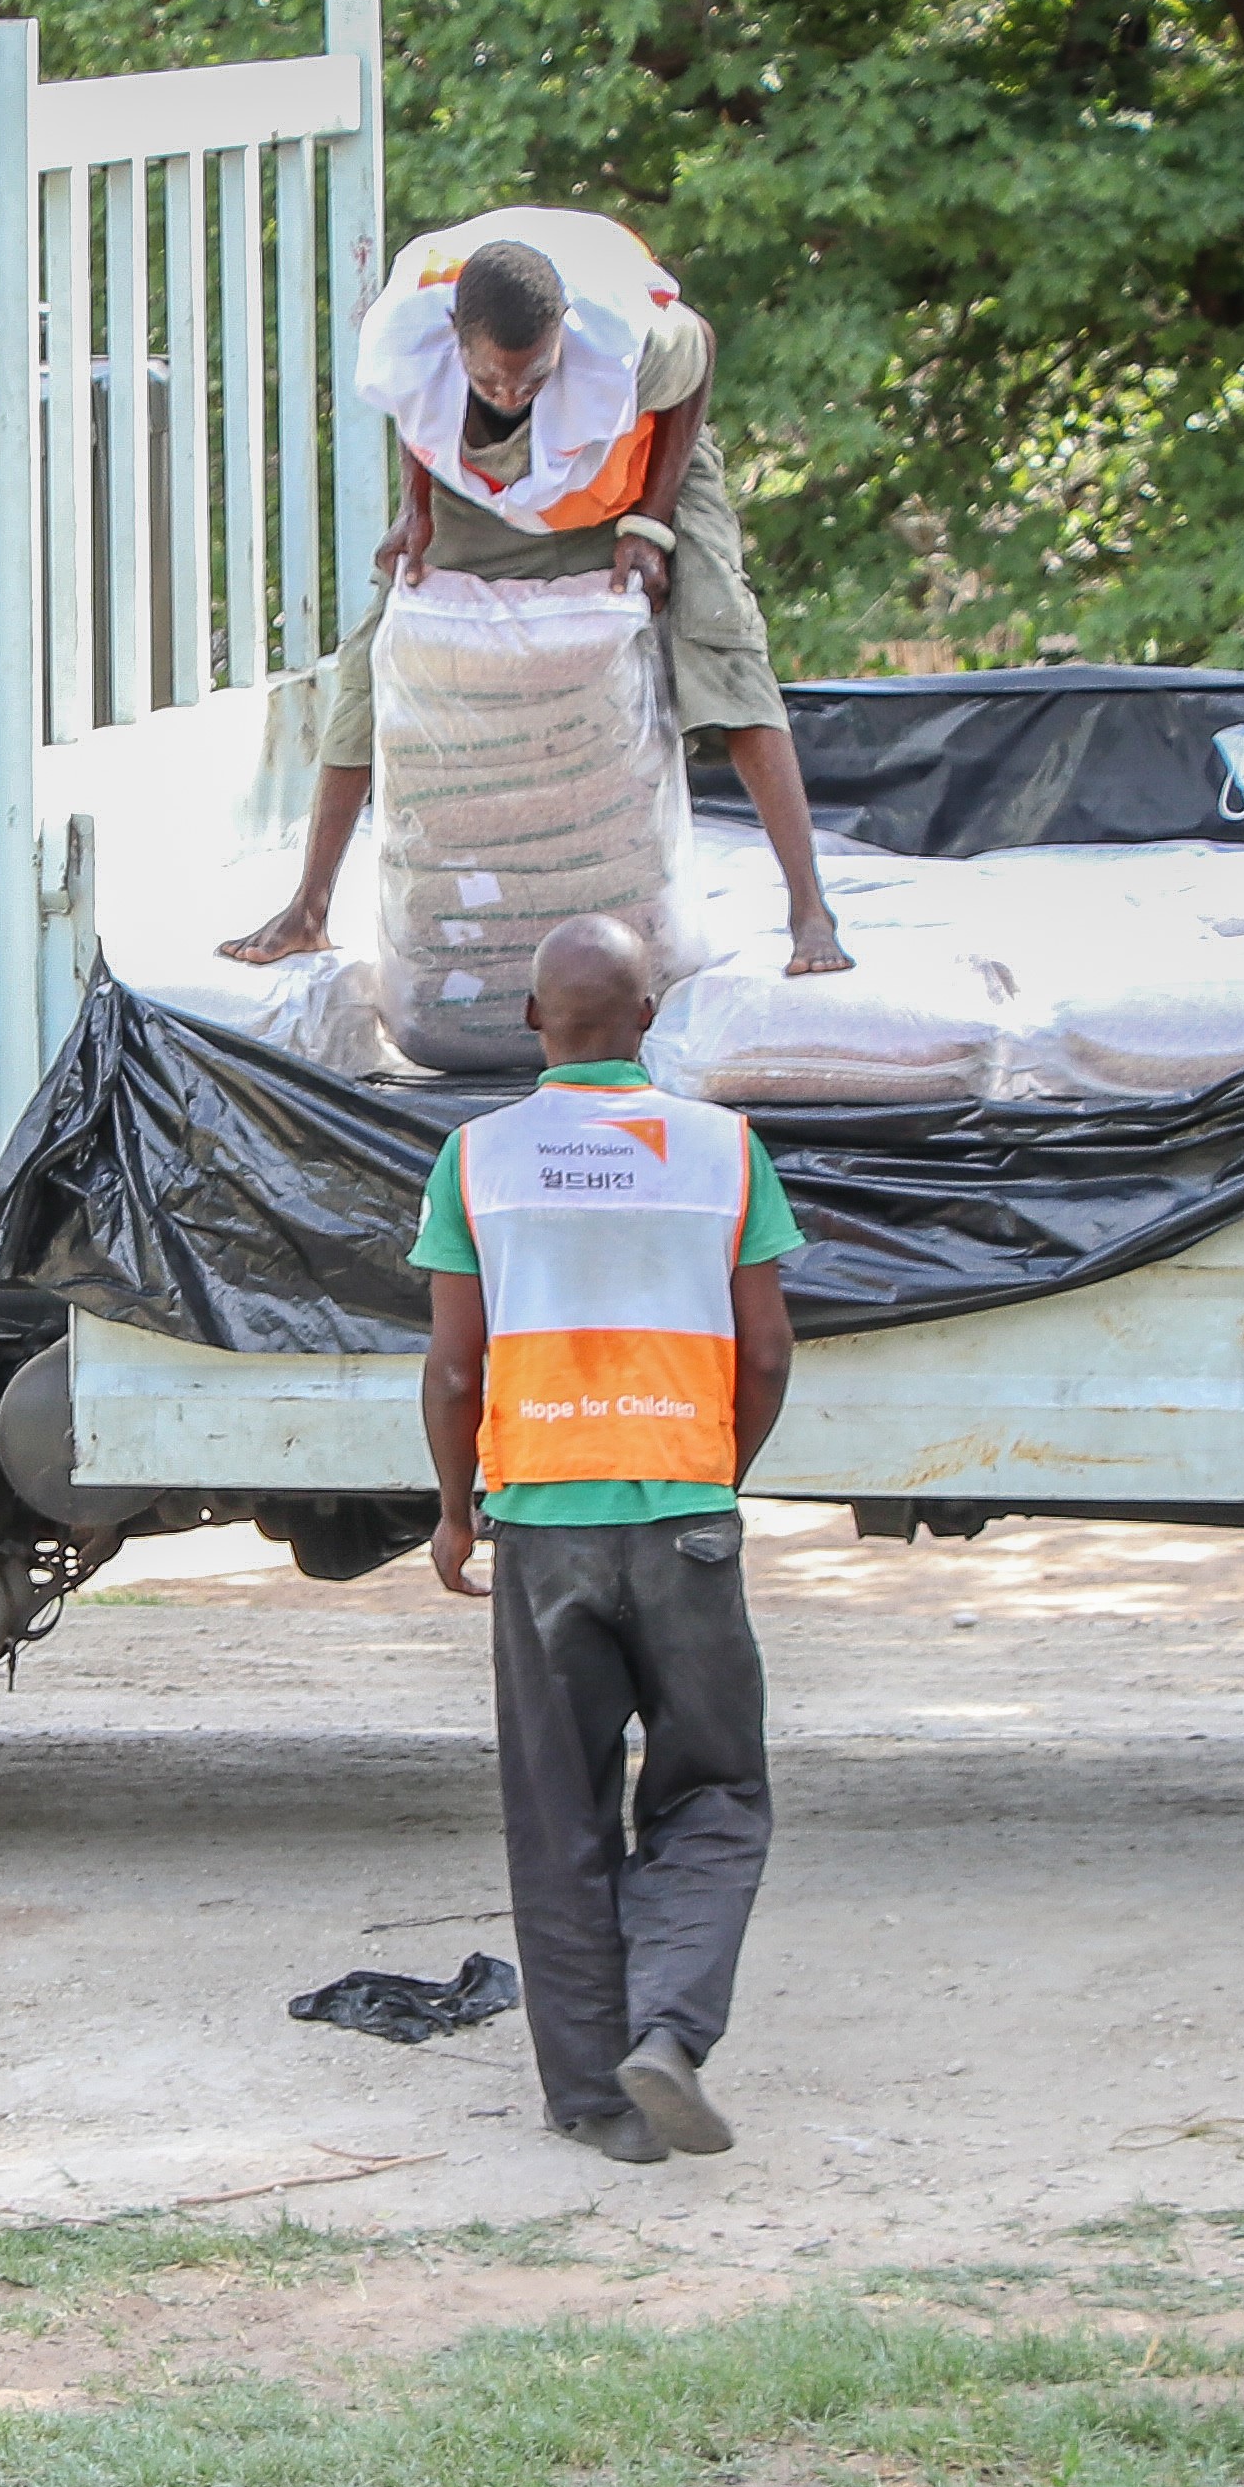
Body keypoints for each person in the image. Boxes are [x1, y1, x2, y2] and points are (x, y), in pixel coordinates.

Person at [222, 212, 851, 984]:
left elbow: (702, 353)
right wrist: (416, 512)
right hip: (487, 487)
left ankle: (809, 911)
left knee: (722, 643)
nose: (513, 392)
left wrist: (650, 523)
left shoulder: (632, 344)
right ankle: (308, 909)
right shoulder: (407, 336)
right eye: (490, 379)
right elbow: (418, 414)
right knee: (376, 655)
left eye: (534, 375)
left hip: (637, 472)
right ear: (453, 335)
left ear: (566, 338)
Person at [414, 915, 802, 2168]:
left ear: (534, 1023)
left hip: (539, 1530)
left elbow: (456, 1363)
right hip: (682, 1516)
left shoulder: (476, 1160)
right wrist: (713, 1475)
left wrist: (452, 1506)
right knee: (717, 1788)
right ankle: (670, 2033)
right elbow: (770, 1349)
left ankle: (593, 2098)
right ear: (650, 1016)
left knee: (556, 1808)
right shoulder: (725, 1151)